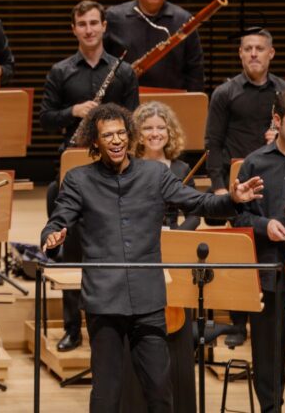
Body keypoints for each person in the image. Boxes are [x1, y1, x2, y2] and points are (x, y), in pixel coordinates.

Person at [41, 103, 263, 413]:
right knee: (106, 394)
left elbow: (198, 202)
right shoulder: (79, 180)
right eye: (108, 136)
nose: (117, 140)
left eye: (121, 133)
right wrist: (52, 237)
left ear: (130, 136)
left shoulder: (155, 173)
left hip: (148, 300)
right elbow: (57, 220)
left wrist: (232, 199)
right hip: (104, 301)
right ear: (95, 141)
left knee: (160, 391)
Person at [39, 0, 139, 352]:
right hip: (75, 167)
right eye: (82, 24)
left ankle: (116, 322)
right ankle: (71, 328)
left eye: (94, 23)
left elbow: (134, 121)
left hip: (114, 170)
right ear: (74, 29)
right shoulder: (61, 72)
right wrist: (74, 111)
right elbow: (45, 117)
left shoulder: (123, 72)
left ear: (104, 27)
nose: (89, 30)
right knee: (71, 250)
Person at [204, 27, 285, 346]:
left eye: (259, 48)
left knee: (273, 249)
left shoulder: (284, 92)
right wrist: (218, 187)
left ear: (271, 54)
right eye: (248, 48)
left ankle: (274, 318)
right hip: (236, 181)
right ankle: (238, 324)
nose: (253, 53)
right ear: (240, 54)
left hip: (277, 175)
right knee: (241, 252)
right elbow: (213, 142)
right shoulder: (225, 93)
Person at [121, 101, 199, 413]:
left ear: (170, 132)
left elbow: (194, 212)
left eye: (161, 127)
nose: (155, 133)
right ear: (137, 134)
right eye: (148, 128)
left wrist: (177, 233)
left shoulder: (181, 170)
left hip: (173, 260)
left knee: (175, 337)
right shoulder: (127, 167)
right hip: (138, 259)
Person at [233, 88, 285, 413]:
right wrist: (265, 227)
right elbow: (238, 218)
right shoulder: (254, 163)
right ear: (277, 121)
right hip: (268, 274)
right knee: (267, 361)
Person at [105, 0, 204, 91]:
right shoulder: (114, 17)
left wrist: (193, 105)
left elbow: (194, 70)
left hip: (172, 103)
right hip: (126, 100)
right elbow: (101, 63)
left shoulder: (183, 19)